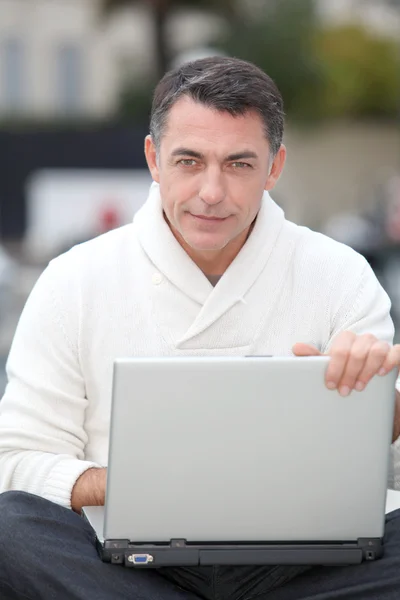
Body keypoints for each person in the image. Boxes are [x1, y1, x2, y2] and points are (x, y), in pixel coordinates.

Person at [0, 56, 400, 600]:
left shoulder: (339, 274)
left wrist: (375, 395)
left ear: (275, 166)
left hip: (309, 561)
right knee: (9, 529)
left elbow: (384, 461)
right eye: (189, 161)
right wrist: (130, 484)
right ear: (153, 158)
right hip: (124, 565)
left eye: (239, 164)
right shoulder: (73, 280)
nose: (212, 191)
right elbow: (15, 461)